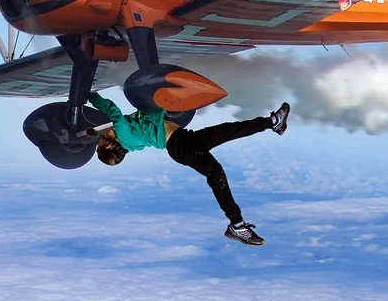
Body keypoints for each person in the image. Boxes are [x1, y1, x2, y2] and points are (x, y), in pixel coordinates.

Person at [85, 90, 291, 247]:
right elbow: (113, 111)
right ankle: (237, 226)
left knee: (229, 130)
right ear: (110, 145)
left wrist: (93, 132)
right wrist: (90, 95)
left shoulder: (129, 141)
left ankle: (273, 122)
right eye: (100, 143)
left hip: (186, 139)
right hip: (181, 147)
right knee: (215, 173)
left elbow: (135, 124)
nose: (101, 140)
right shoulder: (123, 135)